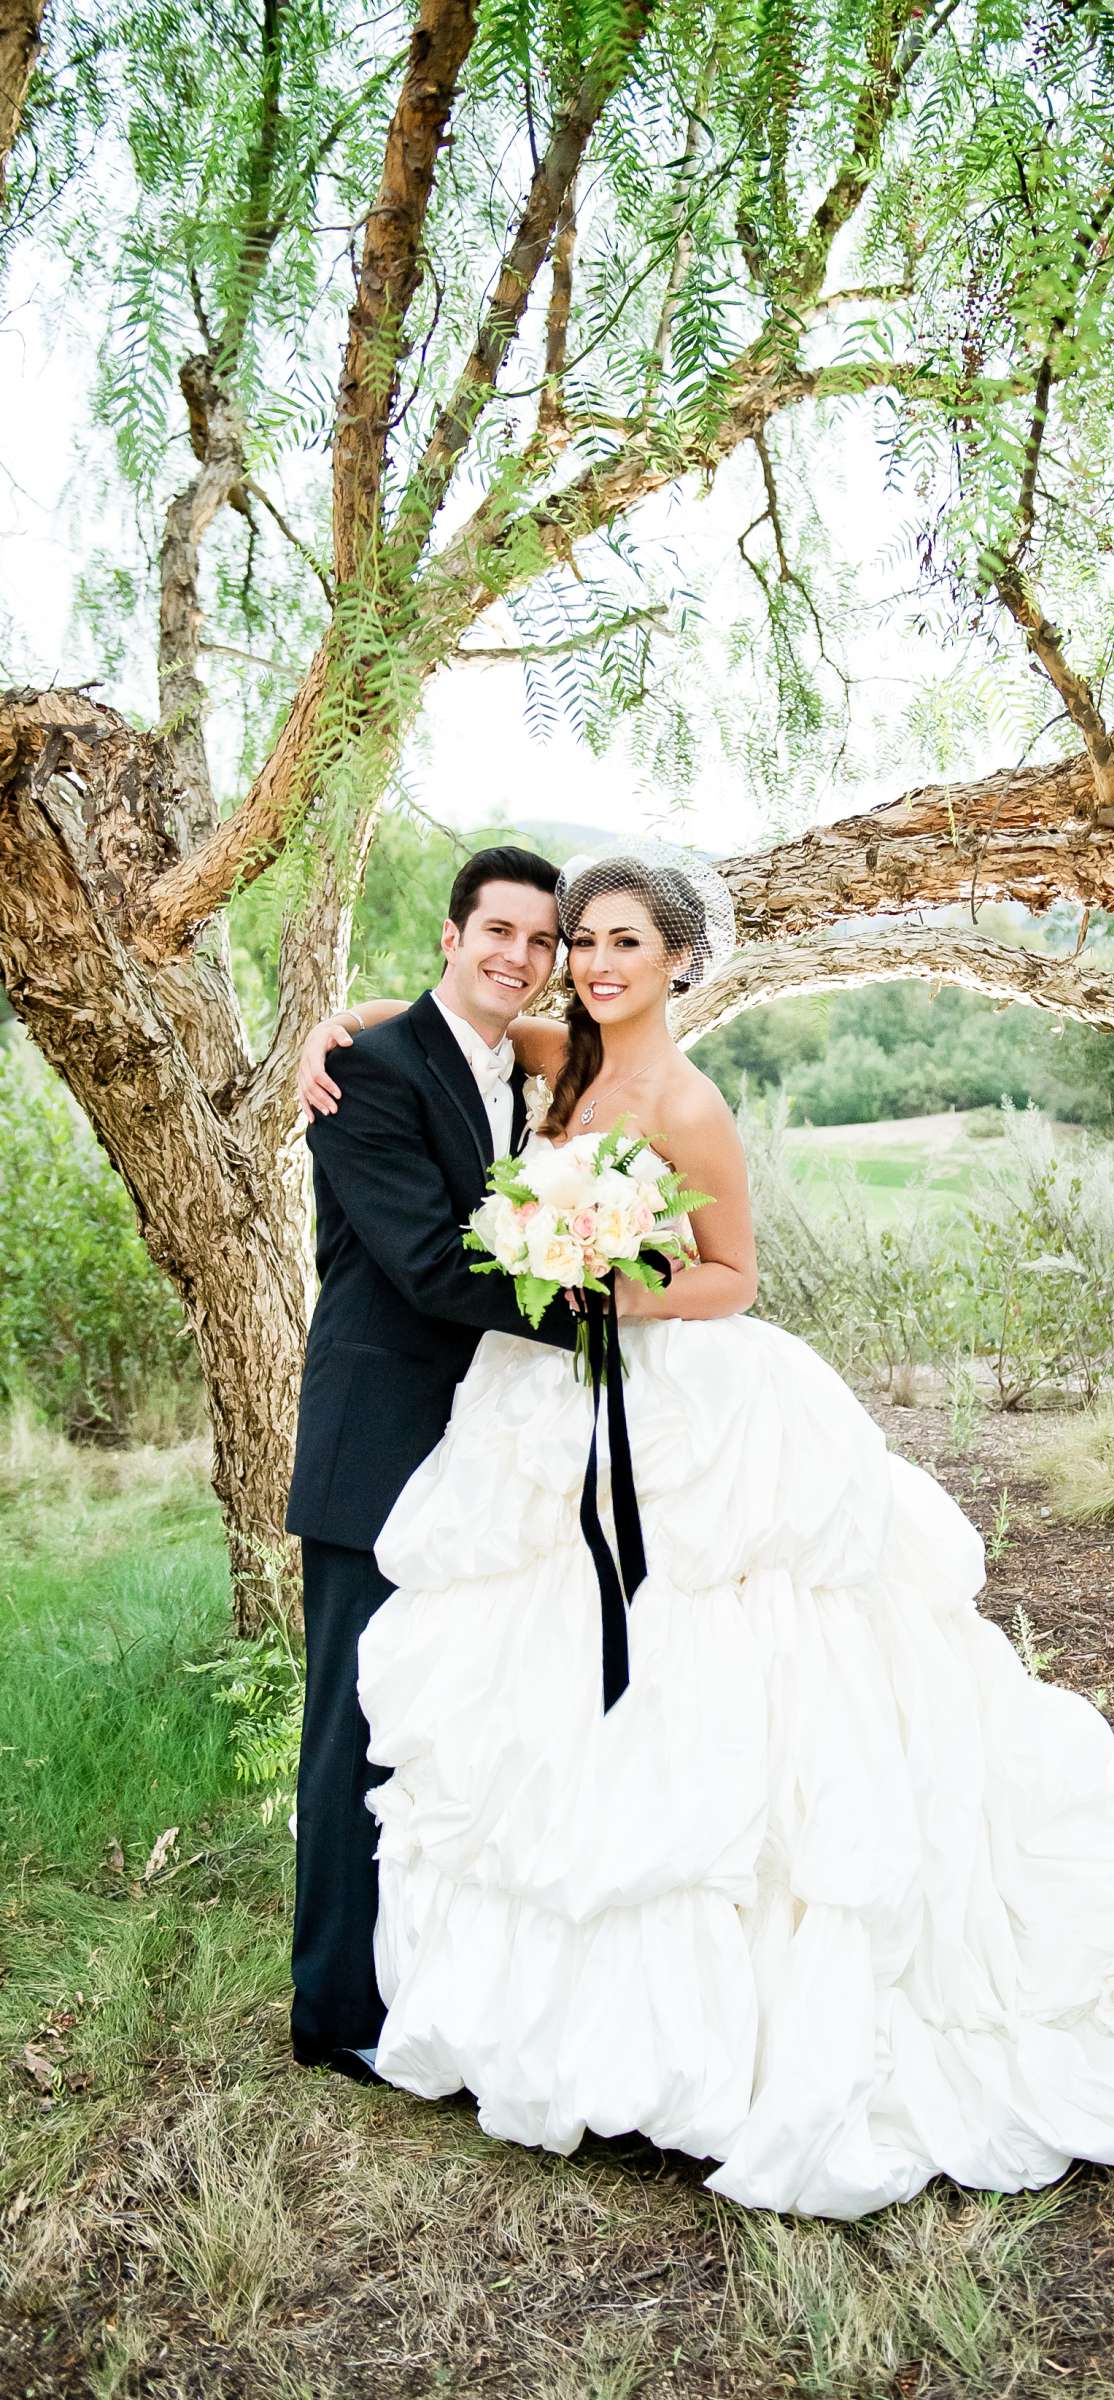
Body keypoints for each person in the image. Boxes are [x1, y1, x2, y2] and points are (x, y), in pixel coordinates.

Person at [294, 846, 1114, 2217]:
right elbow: (442, 1023)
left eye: (621, 946)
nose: (587, 964)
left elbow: (734, 1273)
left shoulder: (685, 1100)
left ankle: (724, 2011)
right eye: (576, 942)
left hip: (662, 1391)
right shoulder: (558, 1051)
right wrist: (335, 1023)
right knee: (565, 1693)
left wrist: (603, 1282)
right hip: (548, 1409)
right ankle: (519, 1991)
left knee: (732, 1682)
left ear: (682, 963)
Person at [285, 844, 577, 2081]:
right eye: (495, 931)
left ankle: (432, 1979)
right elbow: (424, 1261)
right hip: (380, 1436)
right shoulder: (370, 1066)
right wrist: (609, 1314)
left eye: (539, 940)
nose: (516, 955)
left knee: (451, 1718)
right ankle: (336, 2015)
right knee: (353, 1726)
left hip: (487, 1446)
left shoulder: (531, 1067)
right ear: (451, 936)